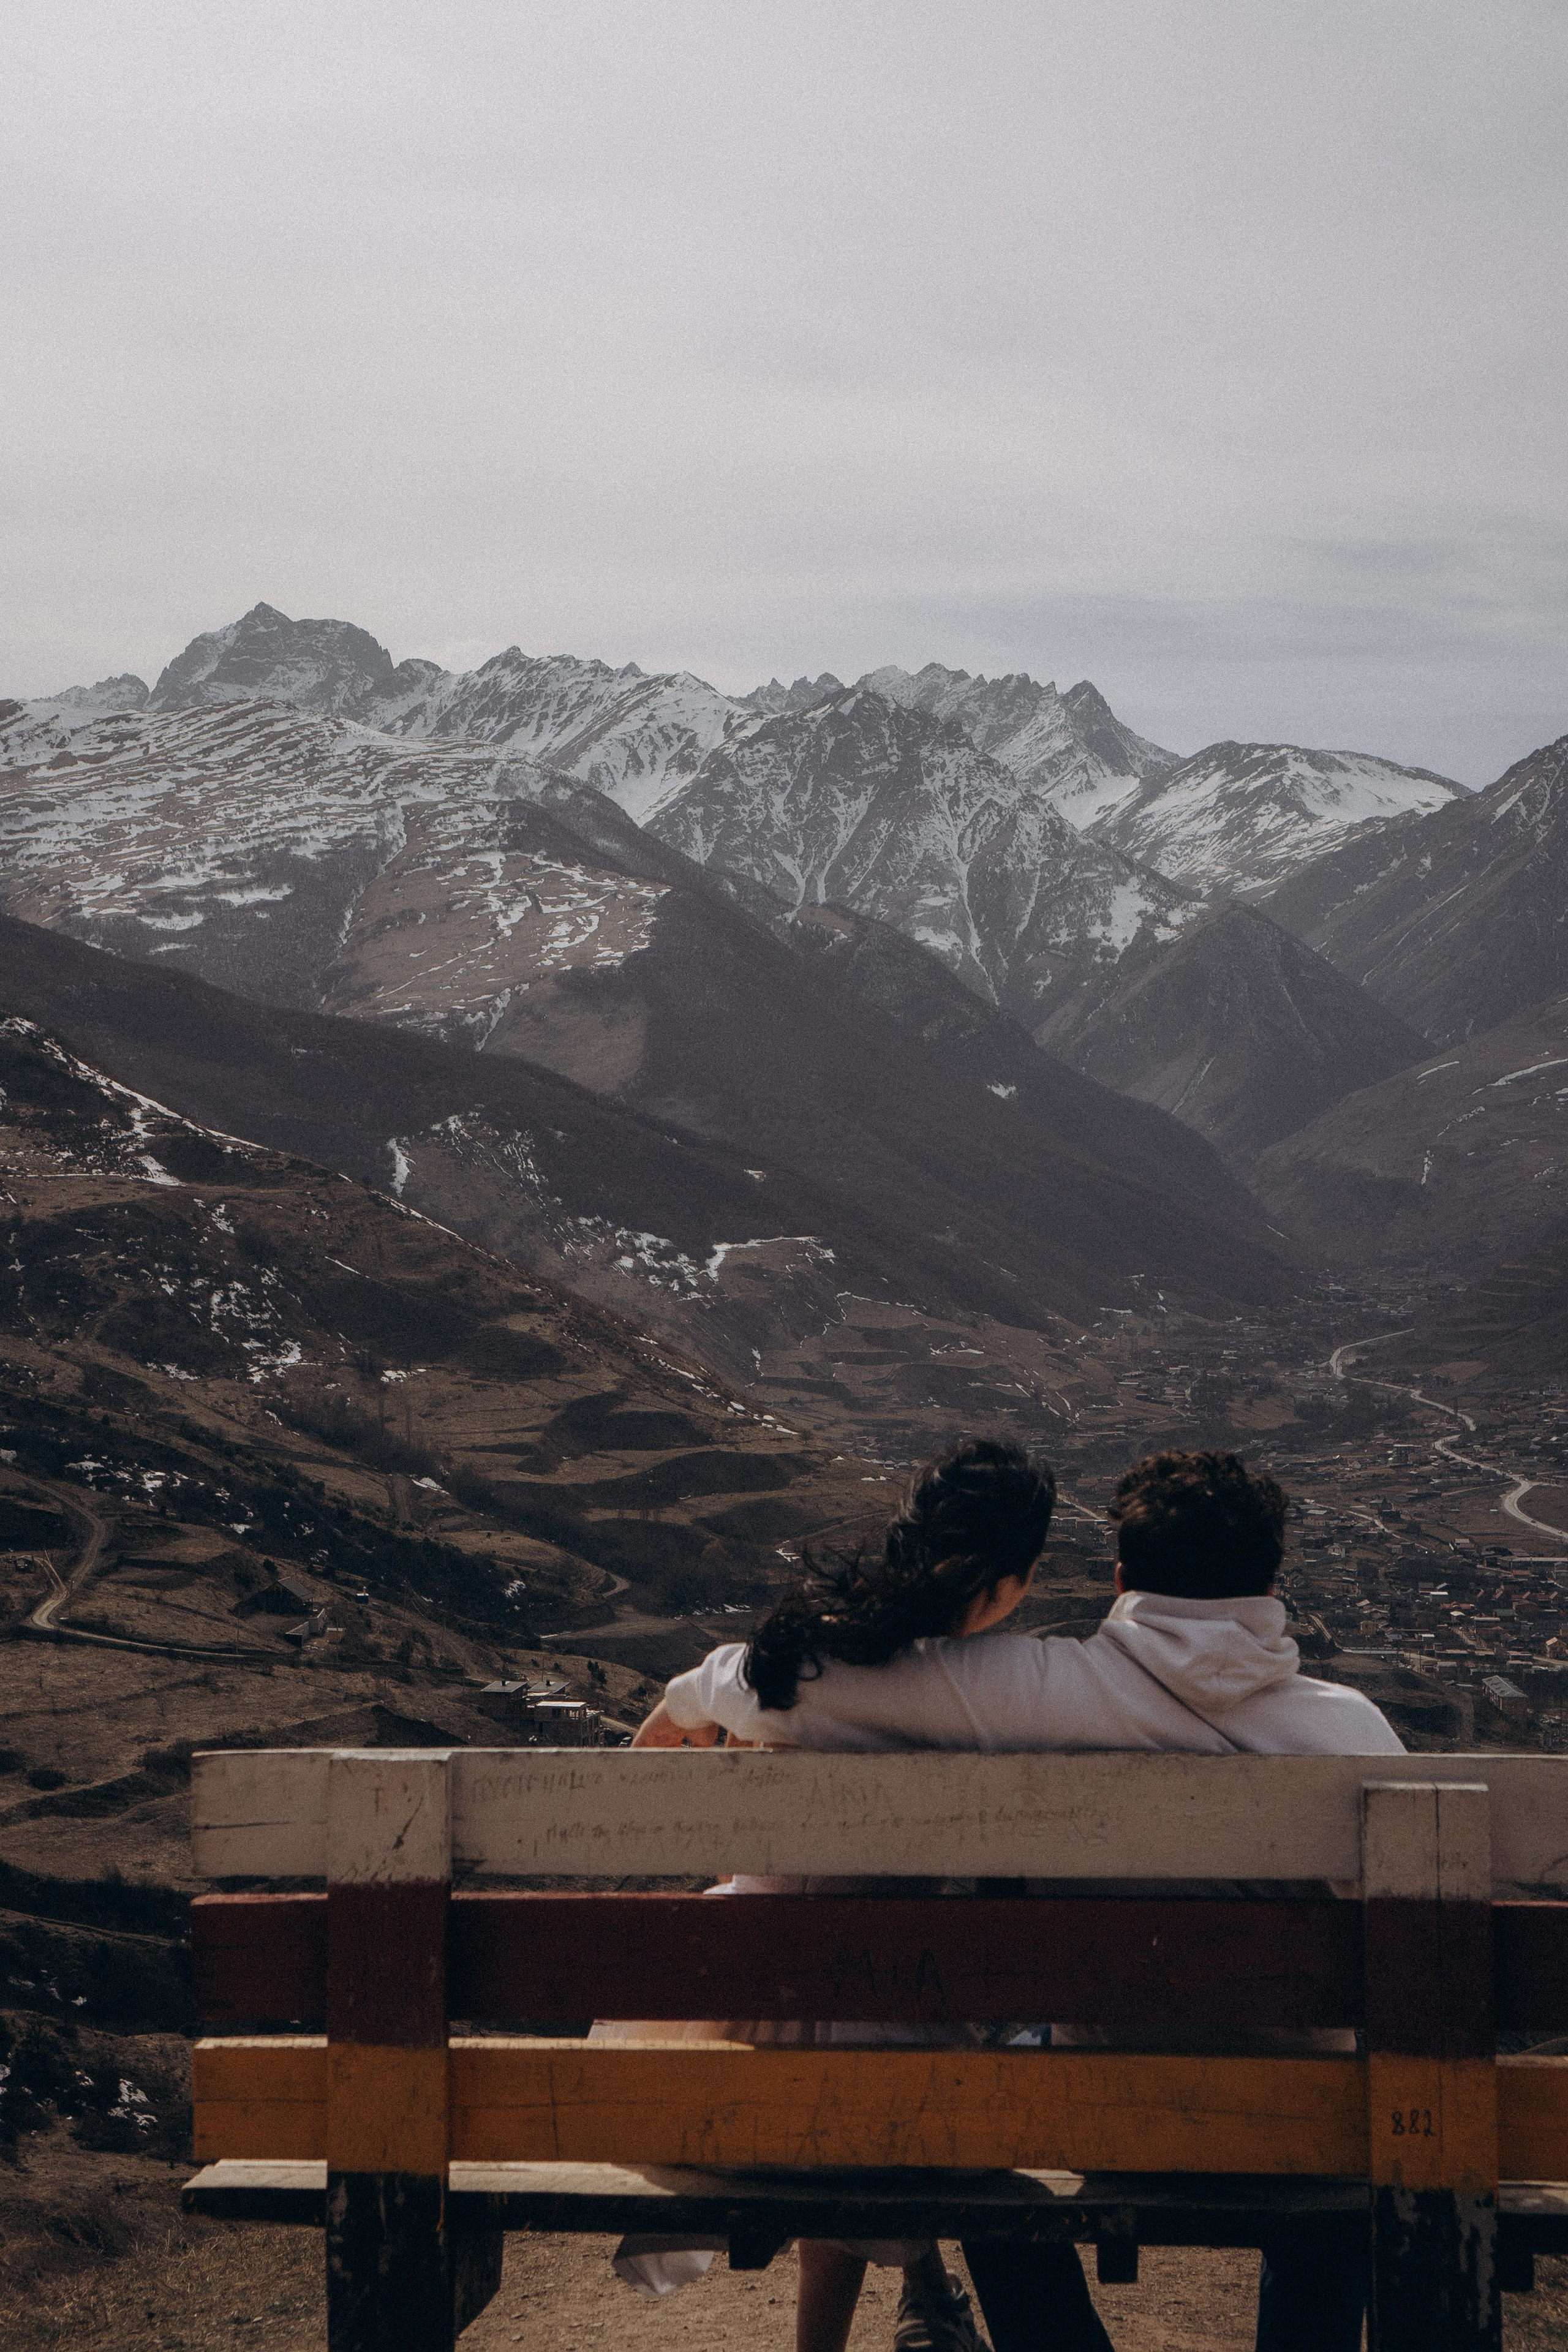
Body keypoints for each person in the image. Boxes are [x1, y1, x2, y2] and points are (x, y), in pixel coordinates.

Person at [655, 1449, 1404, 2352]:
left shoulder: (1044, 1693)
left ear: (1123, 1576)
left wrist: (695, 1689)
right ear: (1269, 1579)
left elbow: (808, 1679)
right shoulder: (1350, 1729)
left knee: (985, 2135)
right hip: (1300, 2127)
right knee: (1344, 2151)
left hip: (1101, 2116)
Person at [621, 1435, 1080, 2352]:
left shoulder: (780, 1663)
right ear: (1008, 1584)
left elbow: (660, 1735)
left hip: (733, 2031)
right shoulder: (989, 1691)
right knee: (864, 2057)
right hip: (885, 2060)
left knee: (822, 2035)